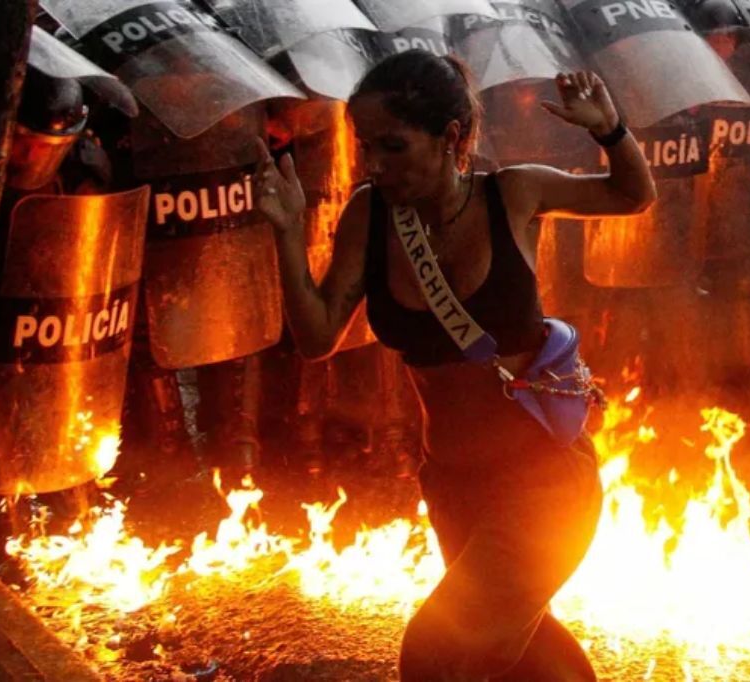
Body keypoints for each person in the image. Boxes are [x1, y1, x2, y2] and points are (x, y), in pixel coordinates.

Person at [258, 50, 655, 680]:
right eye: (367, 147)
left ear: (450, 137)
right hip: (452, 484)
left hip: (544, 483)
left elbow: (632, 196)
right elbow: (316, 337)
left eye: (393, 146)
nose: (376, 165)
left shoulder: (515, 192)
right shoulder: (370, 212)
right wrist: (285, 232)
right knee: (518, 654)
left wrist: (608, 129)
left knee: (434, 652)